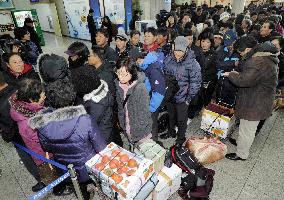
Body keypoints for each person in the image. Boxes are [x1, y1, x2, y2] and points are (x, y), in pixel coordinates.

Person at [29, 78, 106, 200]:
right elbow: (101, 147)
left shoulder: (42, 124)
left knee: (79, 189)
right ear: (72, 97)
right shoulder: (84, 119)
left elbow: (45, 147)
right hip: (88, 165)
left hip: (65, 167)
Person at [224, 36, 278, 161]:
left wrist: (232, 74)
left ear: (248, 49)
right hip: (259, 98)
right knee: (246, 128)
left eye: (241, 52)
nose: (240, 54)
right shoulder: (263, 56)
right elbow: (252, 77)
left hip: (255, 102)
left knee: (247, 129)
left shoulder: (257, 61)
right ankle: (241, 143)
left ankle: (241, 154)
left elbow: (244, 81)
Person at [9, 79, 48, 191]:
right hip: (44, 156)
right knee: (51, 174)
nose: (44, 96)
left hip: (42, 152)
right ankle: (58, 188)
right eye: (41, 95)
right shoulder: (28, 124)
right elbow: (44, 140)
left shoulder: (21, 106)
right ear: (32, 100)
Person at [163, 36, 202, 145]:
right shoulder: (168, 59)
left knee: (181, 119)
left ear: (186, 49)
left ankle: (181, 138)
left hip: (183, 97)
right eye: (176, 50)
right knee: (171, 116)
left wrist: (188, 99)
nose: (178, 53)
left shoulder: (193, 64)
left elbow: (196, 83)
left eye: (181, 50)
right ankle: (171, 132)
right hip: (170, 96)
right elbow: (164, 75)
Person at [71, 66, 120, 146]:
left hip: (102, 139)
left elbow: (87, 127)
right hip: (109, 132)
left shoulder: (95, 104)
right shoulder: (103, 91)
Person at [115, 58, 152, 145]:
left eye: (124, 74)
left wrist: (139, 128)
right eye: (118, 73)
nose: (120, 77)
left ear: (132, 73)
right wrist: (122, 123)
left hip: (139, 131)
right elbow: (120, 107)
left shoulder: (140, 88)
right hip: (127, 127)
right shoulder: (118, 85)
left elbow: (145, 112)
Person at [137, 52, 166, 146]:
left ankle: (153, 144)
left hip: (155, 102)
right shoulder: (148, 66)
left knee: (152, 122)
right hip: (151, 98)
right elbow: (149, 82)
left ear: (144, 58)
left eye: (139, 60)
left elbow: (159, 91)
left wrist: (151, 107)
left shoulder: (153, 69)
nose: (138, 63)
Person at [199, 32, 217, 106]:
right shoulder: (196, 52)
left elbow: (214, 69)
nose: (204, 44)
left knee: (205, 100)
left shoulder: (214, 54)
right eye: (203, 41)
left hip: (208, 81)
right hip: (197, 80)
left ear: (211, 43)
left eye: (207, 42)